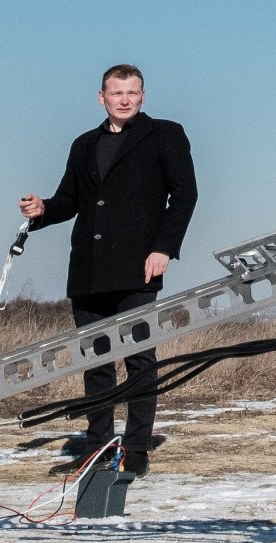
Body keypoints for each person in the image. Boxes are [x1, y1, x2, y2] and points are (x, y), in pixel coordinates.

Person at [19, 65, 196, 476]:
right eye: (117, 92)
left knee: (139, 359)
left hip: (140, 267)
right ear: (101, 97)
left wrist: (163, 249)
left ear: (142, 97)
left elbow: (185, 195)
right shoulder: (83, 144)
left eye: (133, 92)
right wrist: (43, 209)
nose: (125, 99)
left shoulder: (166, 134)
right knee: (95, 362)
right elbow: (70, 199)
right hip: (88, 268)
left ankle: (136, 450)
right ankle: (96, 447)